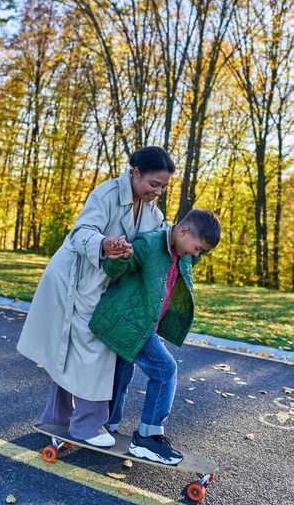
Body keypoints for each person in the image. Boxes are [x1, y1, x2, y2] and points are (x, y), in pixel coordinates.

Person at [17, 146, 175, 446]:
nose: (158, 191)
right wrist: (105, 243)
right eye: (154, 183)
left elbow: (147, 248)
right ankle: (87, 426)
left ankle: (55, 420)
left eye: (164, 186)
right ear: (136, 172)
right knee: (93, 348)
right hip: (74, 277)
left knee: (74, 351)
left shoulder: (155, 215)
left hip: (105, 282)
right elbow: (80, 233)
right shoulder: (105, 194)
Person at [89, 209, 221, 464]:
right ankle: (147, 437)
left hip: (141, 324)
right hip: (128, 323)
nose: (197, 254)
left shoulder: (183, 253)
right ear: (183, 231)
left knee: (122, 372)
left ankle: (107, 423)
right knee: (164, 369)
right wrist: (118, 256)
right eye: (197, 248)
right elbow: (116, 269)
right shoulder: (149, 243)